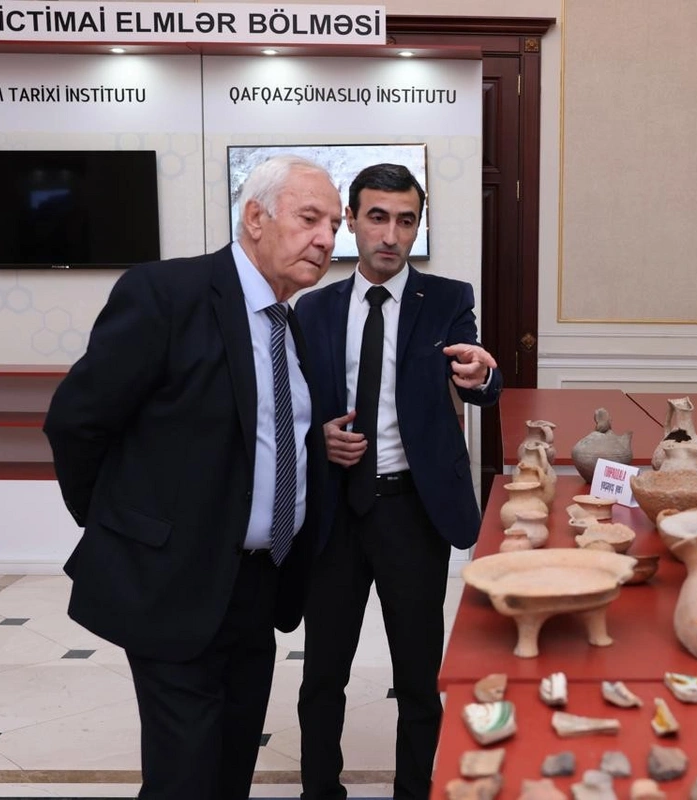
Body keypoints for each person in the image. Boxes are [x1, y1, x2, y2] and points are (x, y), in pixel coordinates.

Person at [43, 155, 342, 799]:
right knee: (185, 776)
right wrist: (129, 529)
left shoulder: (291, 323)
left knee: (231, 767)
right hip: (173, 581)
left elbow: (267, 441)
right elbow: (77, 422)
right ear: (255, 218)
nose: (326, 240)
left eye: (334, 226)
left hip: (258, 584)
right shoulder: (168, 293)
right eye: (310, 219)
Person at [295, 163, 502, 800]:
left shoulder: (447, 299)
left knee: (417, 675)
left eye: (406, 221)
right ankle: (319, 791)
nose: (391, 234)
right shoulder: (314, 307)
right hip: (335, 513)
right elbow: (291, 408)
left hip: (412, 512)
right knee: (323, 674)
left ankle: (415, 790)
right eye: (378, 217)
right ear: (351, 221)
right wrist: (319, 438)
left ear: (418, 226)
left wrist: (482, 376)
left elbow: (479, 376)